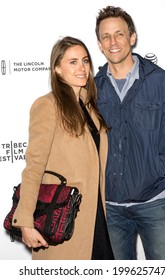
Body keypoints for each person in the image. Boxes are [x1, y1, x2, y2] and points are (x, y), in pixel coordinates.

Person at [94, 6, 165, 260]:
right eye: (106, 37)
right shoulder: (92, 88)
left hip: (154, 202)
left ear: (132, 38)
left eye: (119, 34)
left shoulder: (161, 81)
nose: (113, 42)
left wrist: (159, 169)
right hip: (110, 208)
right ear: (100, 45)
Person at [12, 36, 114, 260]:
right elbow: (34, 166)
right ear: (57, 69)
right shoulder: (47, 106)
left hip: (95, 214)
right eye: (73, 62)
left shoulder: (89, 105)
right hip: (66, 215)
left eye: (85, 61)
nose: (82, 68)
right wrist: (26, 221)